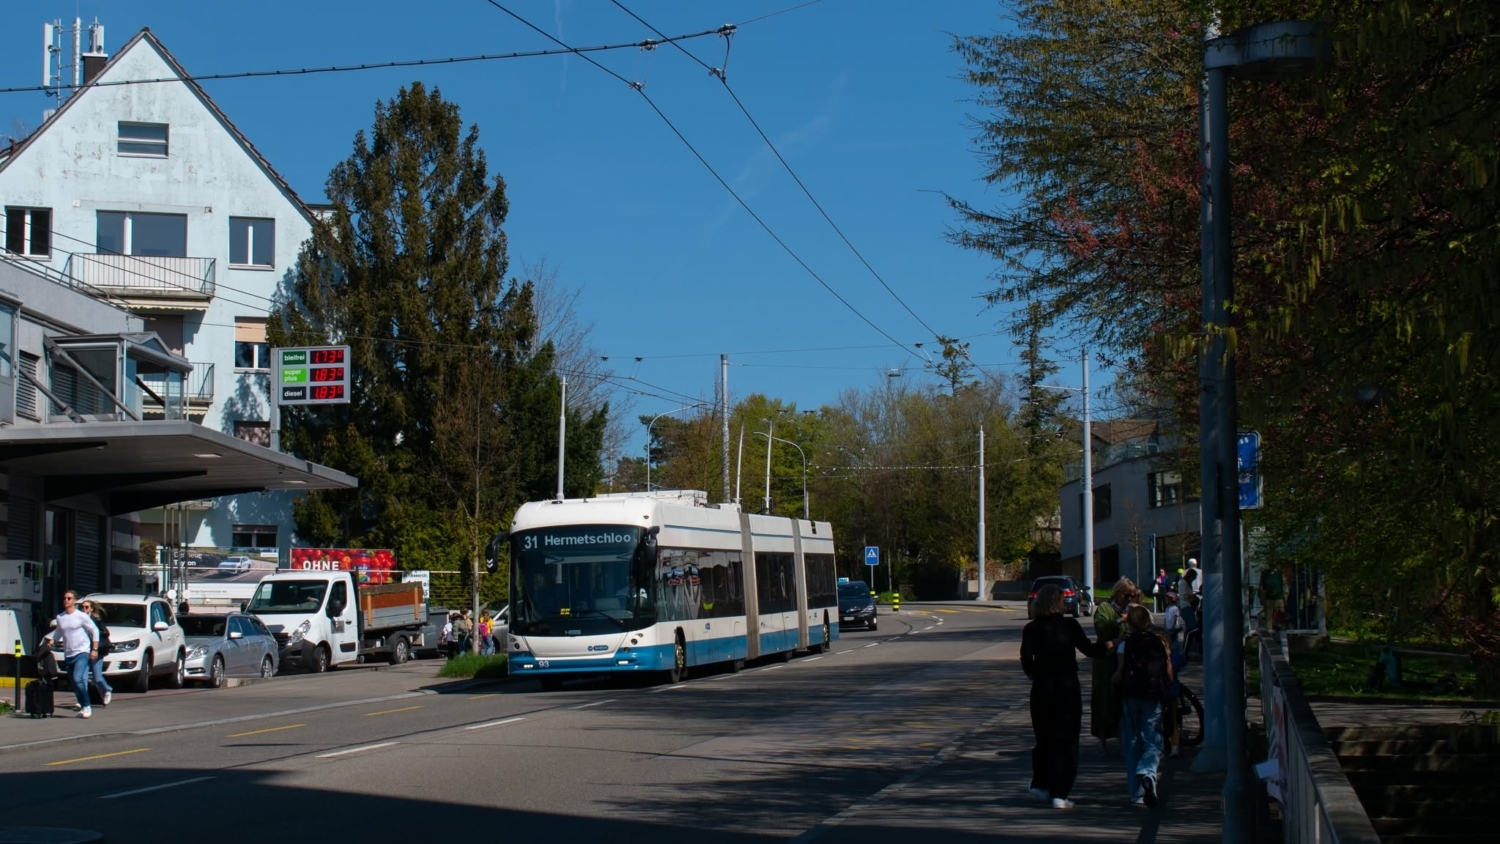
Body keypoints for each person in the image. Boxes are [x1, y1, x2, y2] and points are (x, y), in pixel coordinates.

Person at [1021, 584, 1113, 810]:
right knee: (1067, 739)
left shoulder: (1031, 628)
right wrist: (1109, 646)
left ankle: (1041, 784)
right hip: (1067, 687)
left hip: (1042, 688)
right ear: (1058, 603)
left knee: (1044, 738)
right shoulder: (1069, 625)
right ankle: (1060, 793)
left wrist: (1034, 673)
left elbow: (1026, 659)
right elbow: (1089, 650)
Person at [1114, 604, 1173, 807]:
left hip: (1130, 695)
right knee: (1153, 738)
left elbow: (1120, 672)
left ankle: (1137, 793)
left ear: (1129, 624)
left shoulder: (1125, 644)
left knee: (1132, 740)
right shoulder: (1158, 642)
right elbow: (1168, 671)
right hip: (1153, 694)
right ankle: (1148, 771)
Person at [1090, 578, 1135, 756]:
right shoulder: (1105, 608)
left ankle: (1121, 737)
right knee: (1103, 699)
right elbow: (1102, 628)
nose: (1129, 599)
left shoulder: (1130, 610)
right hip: (1106, 661)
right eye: (1127, 595)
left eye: (1132, 596)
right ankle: (1102, 740)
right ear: (1117, 593)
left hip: (1124, 660)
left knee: (1121, 701)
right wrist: (1120, 621)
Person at [47, 589, 100, 719]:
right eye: (64, 598)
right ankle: (83, 706)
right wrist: (51, 642)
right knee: (74, 683)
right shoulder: (61, 617)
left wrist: (94, 649)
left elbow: (95, 630)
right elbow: (58, 633)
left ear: (75, 601)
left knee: (78, 679)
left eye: (69, 598)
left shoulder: (81, 616)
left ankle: (87, 706)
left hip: (82, 652)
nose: (66, 600)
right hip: (68, 654)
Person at [82, 600, 114, 707]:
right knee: (83, 677)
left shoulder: (96, 619)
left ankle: (107, 689)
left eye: (86, 607)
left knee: (97, 678)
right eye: (82, 607)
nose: (84, 609)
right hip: (84, 651)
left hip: (97, 651)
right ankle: (83, 700)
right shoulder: (79, 620)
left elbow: (106, 632)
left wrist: (93, 631)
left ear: (91, 609)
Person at [1260, 566, 1286, 632]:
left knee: (1280, 615)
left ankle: (1280, 631)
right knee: (1268, 618)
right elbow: (1261, 586)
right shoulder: (1265, 573)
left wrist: (1285, 598)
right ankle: (1269, 632)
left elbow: (1284, 585)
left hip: (1279, 598)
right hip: (1268, 599)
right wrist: (1262, 597)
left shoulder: (1280, 573)